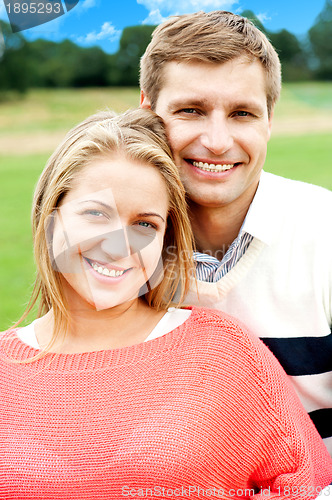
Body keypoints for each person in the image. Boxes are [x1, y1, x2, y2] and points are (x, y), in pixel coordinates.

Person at [0, 108, 331, 497]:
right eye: (95, 213)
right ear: (50, 215)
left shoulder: (220, 351)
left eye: (145, 224)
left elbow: (307, 482)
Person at [140, 10, 332, 454]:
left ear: (269, 122)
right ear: (148, 111)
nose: (218, 141)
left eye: (242, 113)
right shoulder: (112, 243)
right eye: (191, 110)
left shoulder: (324, 231)